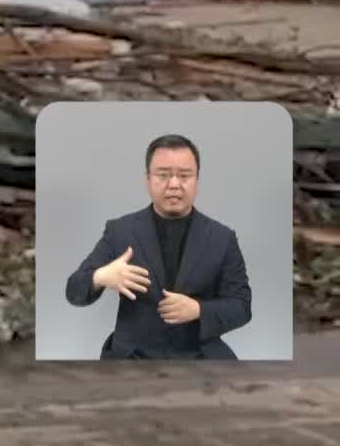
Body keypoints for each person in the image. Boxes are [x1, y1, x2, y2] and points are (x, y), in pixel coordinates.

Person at [63, 134, 252, 359]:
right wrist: (101, 277)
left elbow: (241, 307)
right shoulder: (120, 231)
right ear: (148, 179)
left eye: (184, 175)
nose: (174, 184)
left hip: (200, 356)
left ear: (197, 180)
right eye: (163, 175)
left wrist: (199, 310)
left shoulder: (223, 238)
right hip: (132, 357)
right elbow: (73, 291)